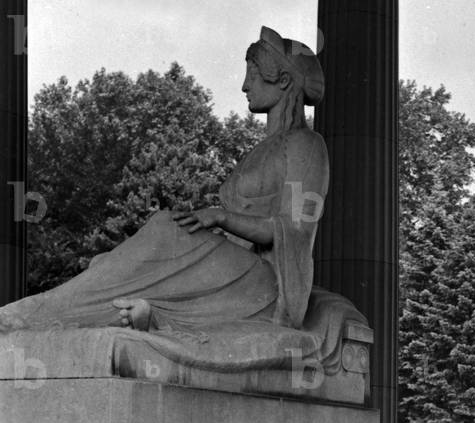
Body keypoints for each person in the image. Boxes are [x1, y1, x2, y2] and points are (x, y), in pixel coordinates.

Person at [0, 27, 333, 341]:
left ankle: (32, 316)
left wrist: (220, 216)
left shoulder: (307, 145)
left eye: (254, 74)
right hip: (230, 265)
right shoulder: (257, 151)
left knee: (165, 229)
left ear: (284, 80)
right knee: (115, 261)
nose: (245, 86)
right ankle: (114, 314)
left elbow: (295, 231)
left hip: (263, 283)